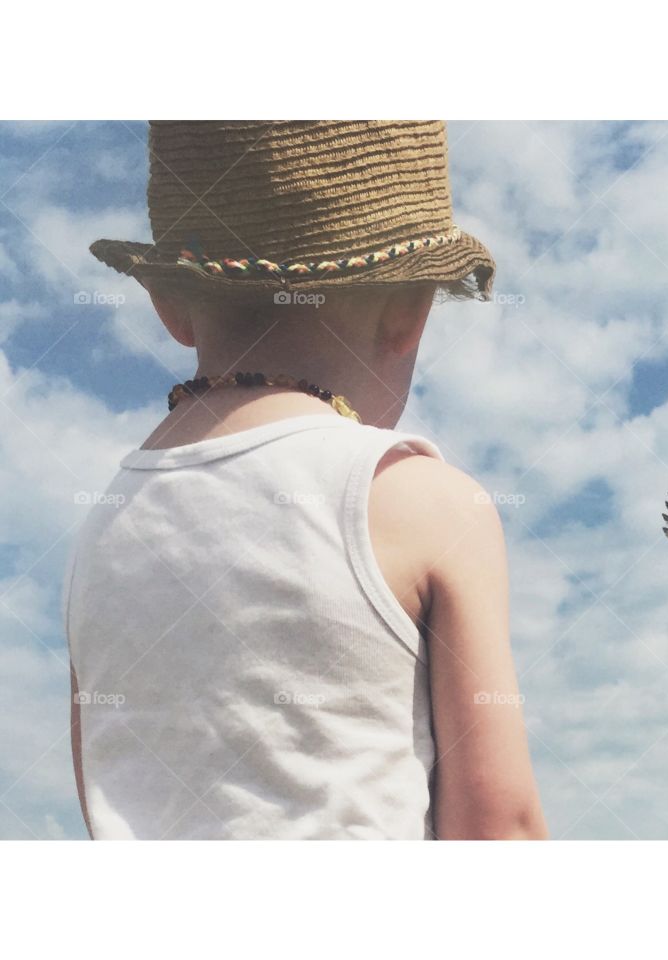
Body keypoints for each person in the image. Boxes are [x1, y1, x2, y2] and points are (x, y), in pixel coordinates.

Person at [63, 120, 548, 840]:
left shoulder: (101, 530)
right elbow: (497, 824)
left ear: (170, 305)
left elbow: (102, 785)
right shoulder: (425, 503)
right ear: (411, 311)